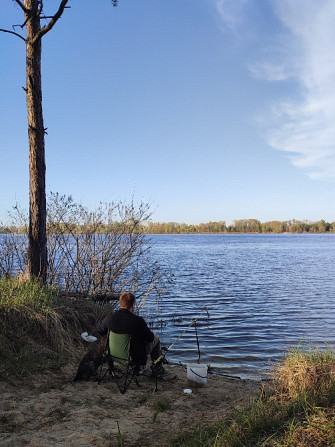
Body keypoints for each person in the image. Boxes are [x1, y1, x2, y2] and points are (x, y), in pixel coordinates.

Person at [96, 291, 165, 376]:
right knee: (156, 339)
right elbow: (150, 338)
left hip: (114, 355)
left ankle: (115, 367)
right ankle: (158, 369)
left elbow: (100, 331)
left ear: (120, 303)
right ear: (133, 305)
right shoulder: (138, 321)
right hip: (134, 358)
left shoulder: (111, 317)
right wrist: (151, 334)